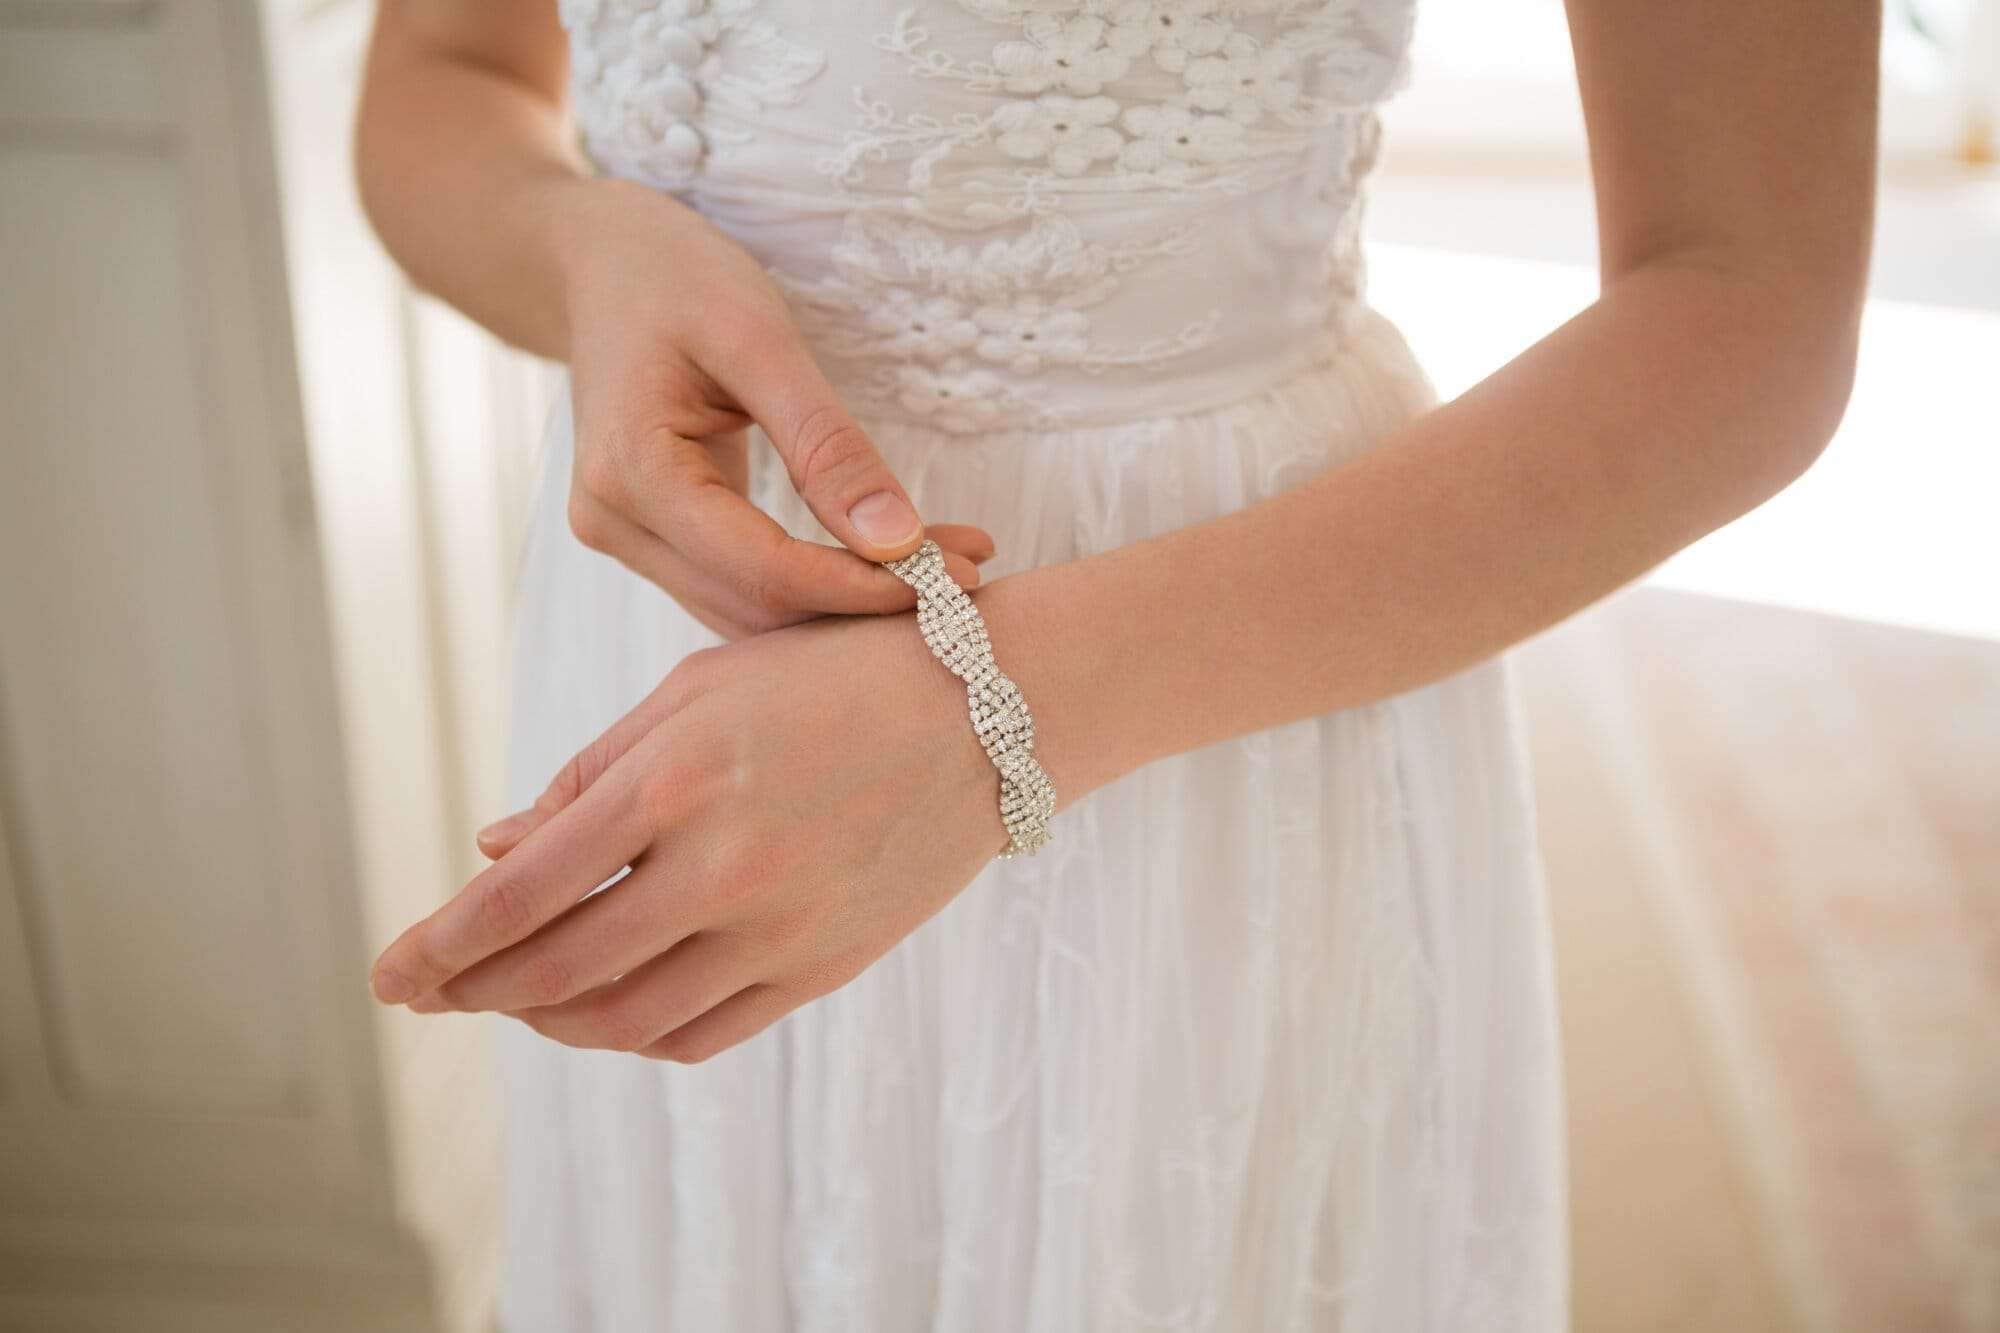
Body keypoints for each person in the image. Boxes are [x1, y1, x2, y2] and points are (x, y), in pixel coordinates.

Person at [356, 1, 1878, 1328]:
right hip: (662, 643)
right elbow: (443, 67)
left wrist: (996, 706)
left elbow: (1750, 297)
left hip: (1205, 670)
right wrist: (583, 254)